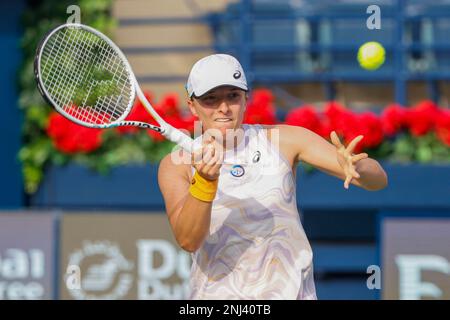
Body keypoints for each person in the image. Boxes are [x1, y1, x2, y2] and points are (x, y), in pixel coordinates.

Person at [158, 54, 388, 299]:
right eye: (211, 99)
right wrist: (204, 182)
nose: (223, 108)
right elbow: (188, 240)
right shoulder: (176, 164)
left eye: (232, 96)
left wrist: (356, 168)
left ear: (246, 98)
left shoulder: (285, 140)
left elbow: (378, 180)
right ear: (192, 106)